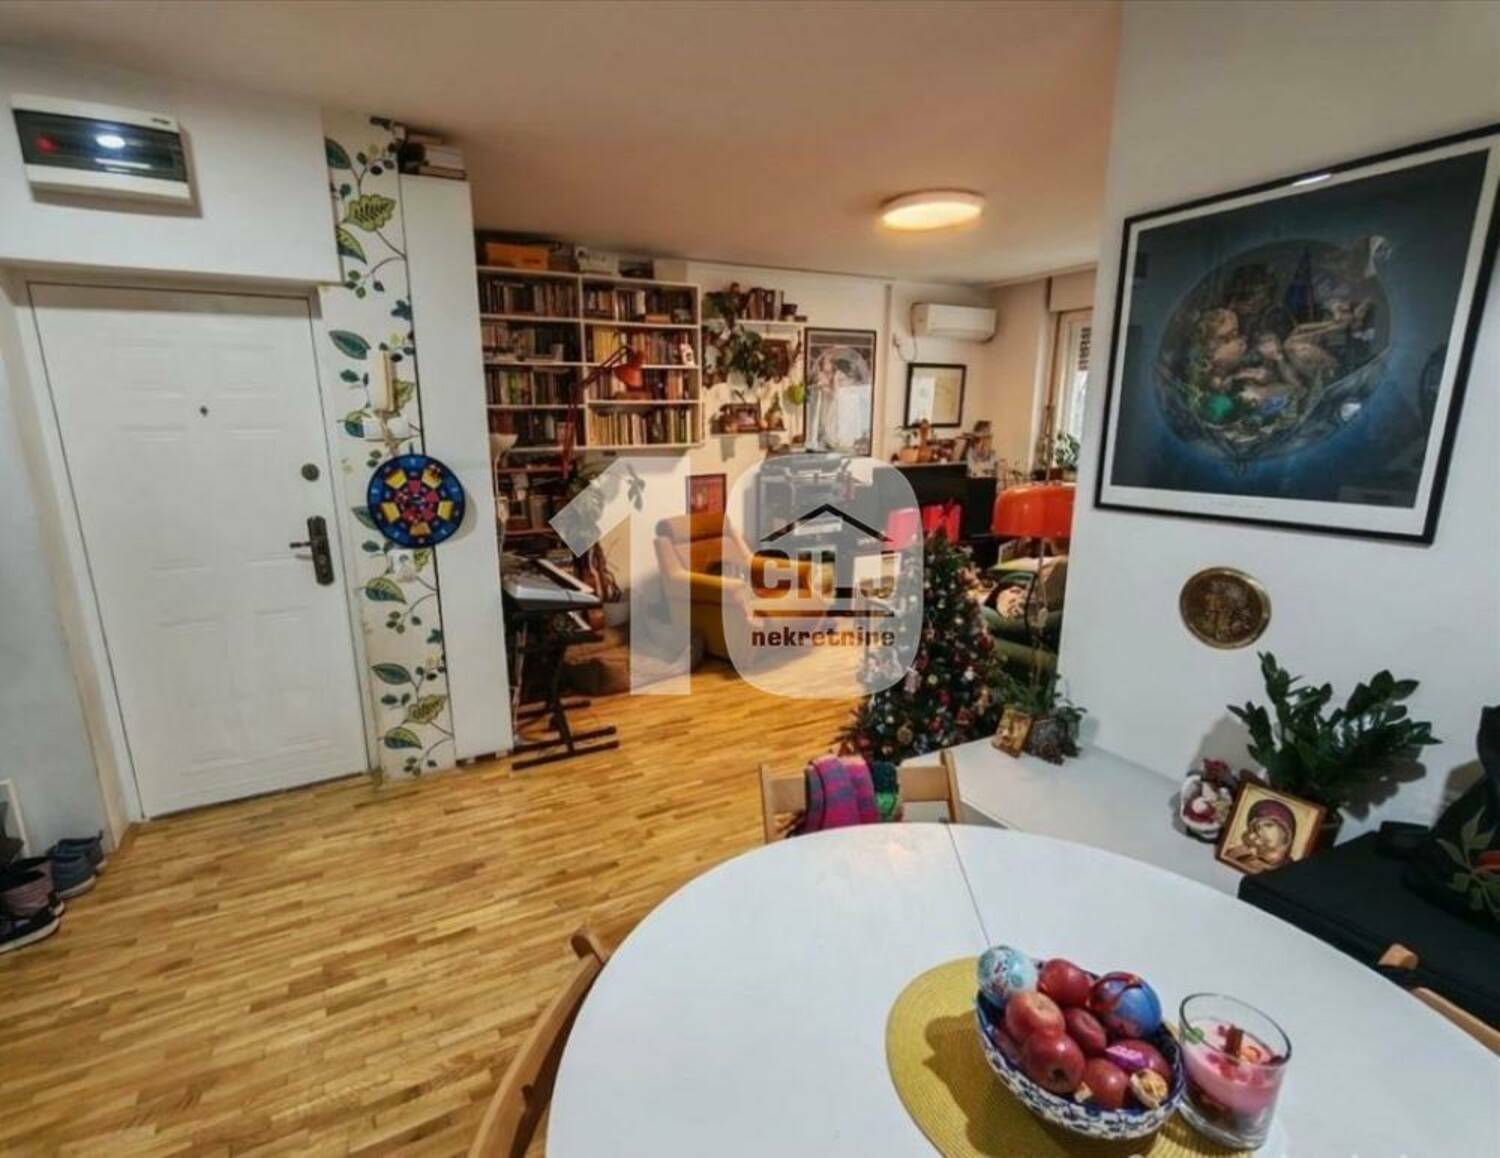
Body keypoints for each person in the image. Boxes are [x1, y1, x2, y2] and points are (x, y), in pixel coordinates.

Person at [1222, 797, 1298, 872]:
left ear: (1286, 833)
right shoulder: (1240, 856)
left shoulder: (1291, 870)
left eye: (1268, 825)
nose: (1261, 832)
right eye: (1257, 827)